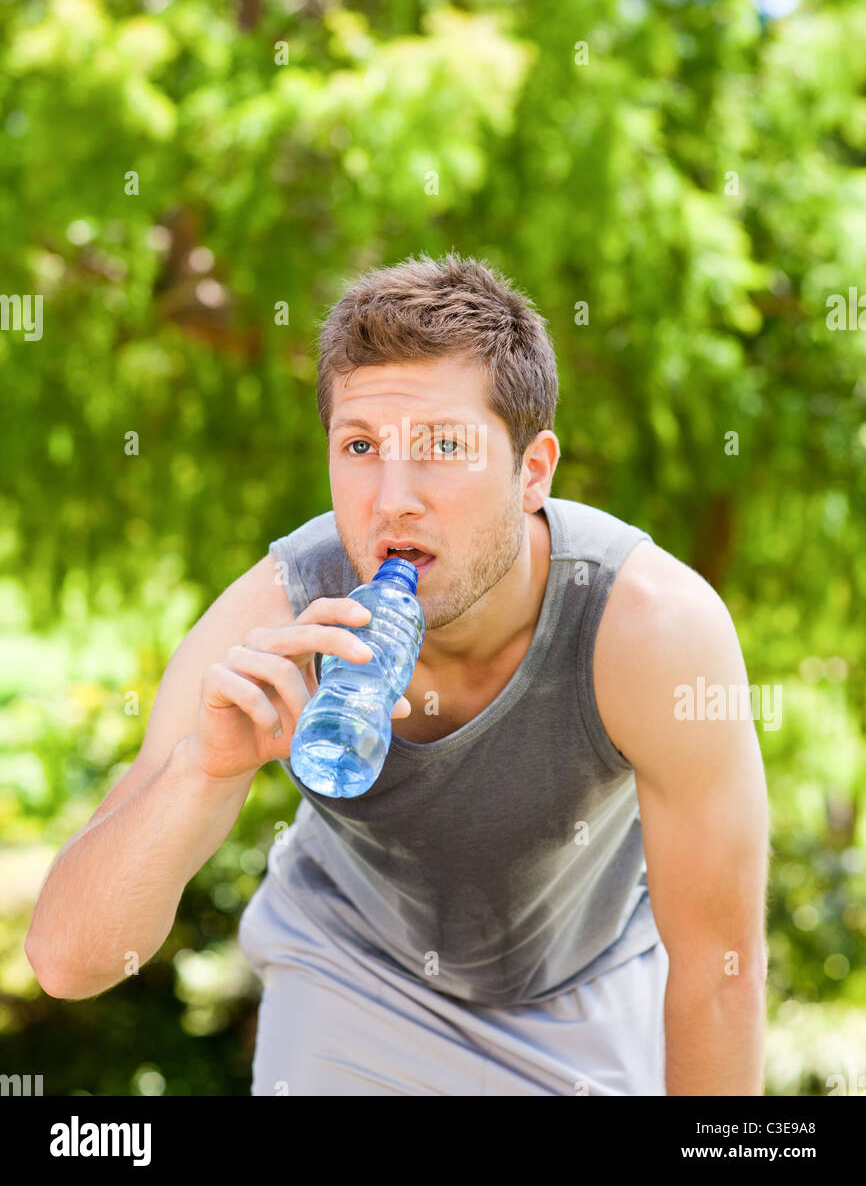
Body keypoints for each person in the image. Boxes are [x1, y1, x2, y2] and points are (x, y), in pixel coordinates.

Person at [25, 252, 769, 1096]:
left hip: (583, 991)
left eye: (443, 445)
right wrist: (200, 769)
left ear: (532, 472)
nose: (392, 498)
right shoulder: (277, 612)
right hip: (349, 974)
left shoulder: (652, 630)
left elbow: (719, 970)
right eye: (360, 445)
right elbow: (65, 962)